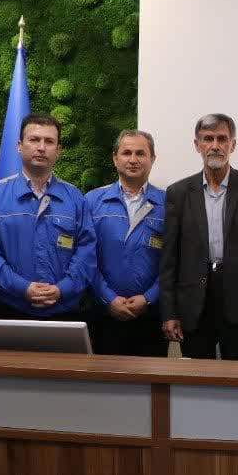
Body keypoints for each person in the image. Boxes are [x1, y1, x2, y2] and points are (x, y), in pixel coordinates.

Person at [160, 114, 238, 360]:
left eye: (222, 139)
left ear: (232, 145)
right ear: (197, 145)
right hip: (193, 304)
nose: (215, 146)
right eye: (208, 139)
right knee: (197, 378)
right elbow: (169, 259)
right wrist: (169, 312)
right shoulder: (178, 193)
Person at [0, 114, 96, 320]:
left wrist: (62, 289)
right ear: (19, 146)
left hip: (63, 310)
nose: (41, 147)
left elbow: (87, 251)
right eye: (34, 140)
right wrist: (21, 287)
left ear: (58, 150)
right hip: (9, 308)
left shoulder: (76, 198)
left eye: (49, 141)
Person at [86, 130, 168, 357]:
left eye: (140, 153)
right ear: (115, 158)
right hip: (103, 314)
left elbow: (174, 261)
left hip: (151, 317)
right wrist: (108, 298)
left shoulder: (168, 204)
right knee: (104, 378)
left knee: (150, 378)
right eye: (126, 153)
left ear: (152, 158)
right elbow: (85, 258)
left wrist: (149, 298)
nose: (133, 159)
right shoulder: (92, 201)